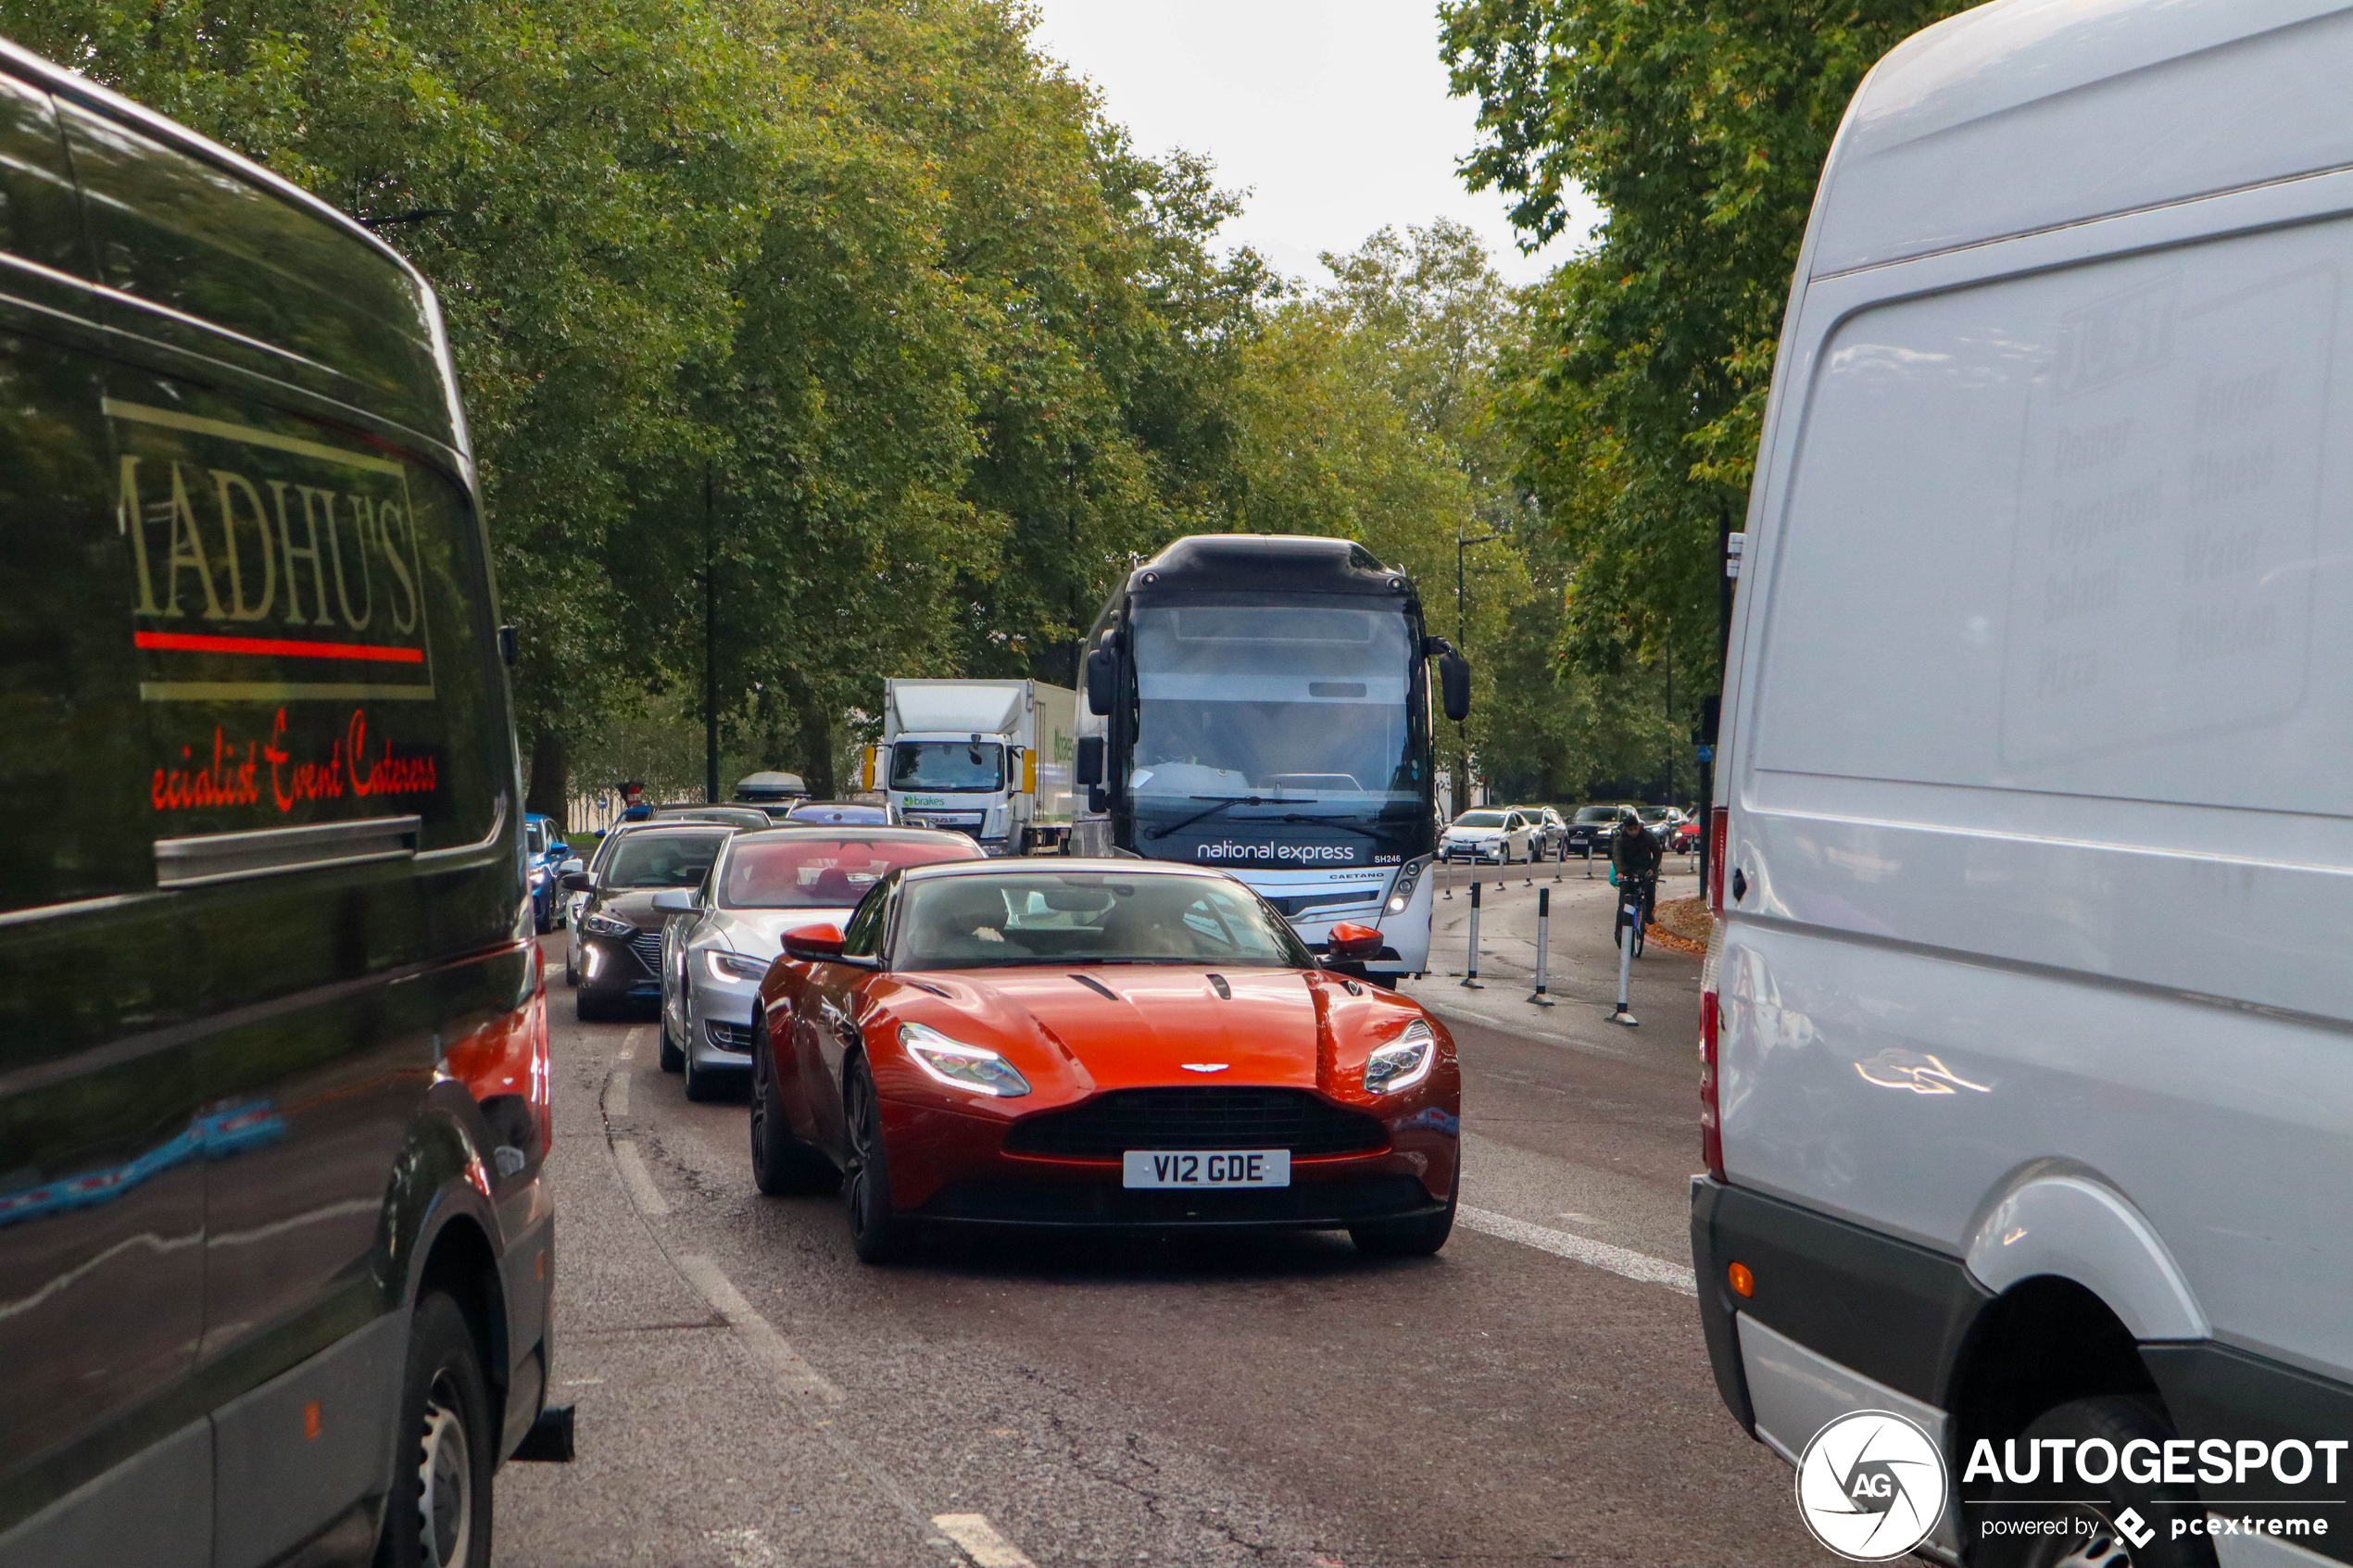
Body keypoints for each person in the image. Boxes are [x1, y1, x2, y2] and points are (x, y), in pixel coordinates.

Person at [1610, 809, 1662, 930]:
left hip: (1645, 870)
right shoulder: (1620, 841)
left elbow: (1658, 853)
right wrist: (1620, 872)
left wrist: (1652, 869)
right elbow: (1617, 857)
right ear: (1625, 829)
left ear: (1639, 826)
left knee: (1650, 889)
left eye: (1635, 829)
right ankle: (1619, 933)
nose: (1633, 832)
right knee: (1623, 903)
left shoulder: (1648, 837)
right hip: (1627, 872)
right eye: (1630, 830)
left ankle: (1648, 913)